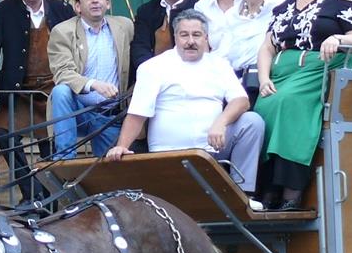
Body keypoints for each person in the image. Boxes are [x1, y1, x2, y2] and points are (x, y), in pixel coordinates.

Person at [105, 10, 265, 205]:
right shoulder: (154, 66)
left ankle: (242, 197)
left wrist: (220, 123)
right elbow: (138, 114)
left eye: (196, 35)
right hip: (170, 153)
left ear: (206, 38)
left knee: (252, 122)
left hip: (213, 148)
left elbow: (241, 100)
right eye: (184, 35)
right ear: (175, 37)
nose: (191, 41)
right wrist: (122, 146)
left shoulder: (219, 64)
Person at [255, 0, 352, 211]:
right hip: (283, 72)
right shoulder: (284, 7)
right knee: (261, 109)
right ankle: (268, 188)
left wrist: (337, 37)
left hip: (320, 67)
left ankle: (291, 192)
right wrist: (263, 79)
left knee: (289, 102)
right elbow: (267, 47)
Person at [0, 0, 75, 202]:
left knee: (49, 145)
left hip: (53, 90)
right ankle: (31, 192)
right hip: (18, 89)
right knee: (4, 135)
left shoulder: (63, 9)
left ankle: (49, 201)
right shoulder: (5, 10)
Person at [47, 0, 134, 159]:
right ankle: (65, 158)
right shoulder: (63, 31)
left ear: (108, 2)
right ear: (78, 6)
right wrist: (94, 84)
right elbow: (62, 72)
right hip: (79, 111)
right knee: (61, 91)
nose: (95, 1)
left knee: (110, 176)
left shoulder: (125, 26)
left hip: (112, 114)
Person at [212, 0, 275, 104]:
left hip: (268, 81)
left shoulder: (278, 10)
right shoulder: (231, 16)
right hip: (236, 83)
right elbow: (223, 54)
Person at [131, 0, 198, 74]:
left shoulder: (198, 8)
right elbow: (140, 48)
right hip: (154, 75)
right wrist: (152, 73)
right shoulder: (146, 11)